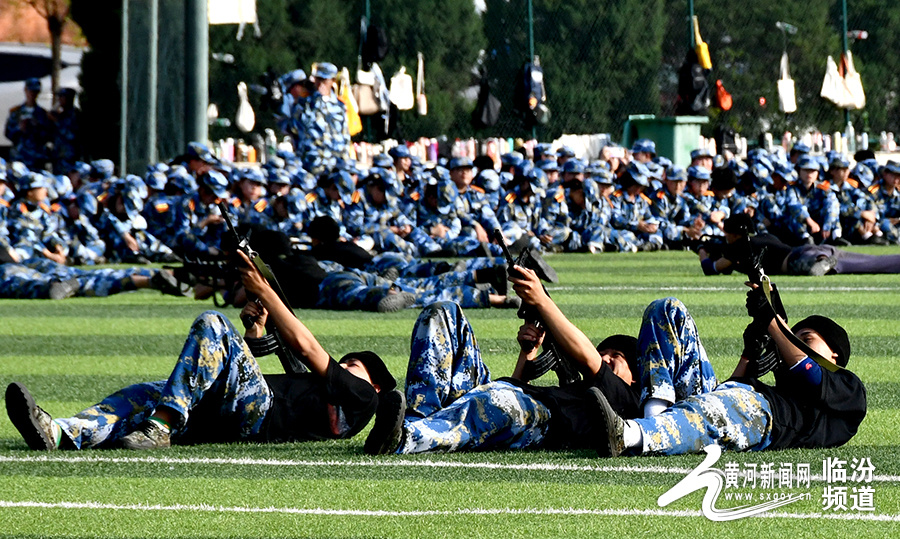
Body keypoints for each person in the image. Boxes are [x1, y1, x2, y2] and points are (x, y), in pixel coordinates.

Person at [5, 249, 396, 451]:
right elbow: (245, 370)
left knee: (214, 322)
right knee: (144, 394)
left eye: (354, 364)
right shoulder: (322, 393)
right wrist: (255, 332)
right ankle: (62, 434)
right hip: (238, 414)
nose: (344, 364)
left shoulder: (364, 398)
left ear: (375, 384)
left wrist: (264, 290)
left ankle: (161, 426)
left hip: (260, 415)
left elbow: (307, 347)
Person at [364, 264, 640, 455]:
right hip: (506, 398)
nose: (605, 357)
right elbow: (513, 387)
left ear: (636, 377)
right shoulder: (582, 390)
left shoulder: (626, 399)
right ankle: (416, 418)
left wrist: (542, 300)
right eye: (604, 351)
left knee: (497, 402)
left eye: (616, 356)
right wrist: (528, 353)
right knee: (442, 313)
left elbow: (588, 359)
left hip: (536, 417)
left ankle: (405, 439)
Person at [589, 287, 867, 457]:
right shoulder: (783, 384)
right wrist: (749, 355)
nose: (796, 343)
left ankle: (631, 434)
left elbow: (807, 371)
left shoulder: (849, 388)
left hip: (764, 417)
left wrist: (771, 321)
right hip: (737, 402)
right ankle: (656, 421)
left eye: (806, 339)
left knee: (717, 409)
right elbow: (728, 390)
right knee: (667, 310)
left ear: (834, 354)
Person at [699, 214, 900, 276]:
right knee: (871, 261)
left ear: (735, 234)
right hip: (813, 248)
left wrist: (701, 251)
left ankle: (821, 262)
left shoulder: (740, 246)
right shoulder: (764, 236)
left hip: (798, 260)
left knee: (813, 269)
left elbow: (712, 269)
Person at [4, 78, 51, 169]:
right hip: (19, 157)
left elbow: (48, 136)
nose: (32, 94)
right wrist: (19, 128)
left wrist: (38, 127)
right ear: (25, 91)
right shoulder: (16, 112)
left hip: (36, 158)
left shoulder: (43, 114)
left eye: (35, 92)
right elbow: (8, 134)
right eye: (30, 91)